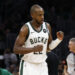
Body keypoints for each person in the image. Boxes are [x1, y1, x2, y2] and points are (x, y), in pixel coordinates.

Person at [13, 4, 64, 75]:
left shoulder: (47, 26)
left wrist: (58, 40)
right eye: (39, 15)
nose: (42, 17)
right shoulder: (25, 28)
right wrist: (33, 49)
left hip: (42, 65)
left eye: (43, 15)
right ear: (32, 15)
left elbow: (48, 47)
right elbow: (16, 49)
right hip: (28, 65)